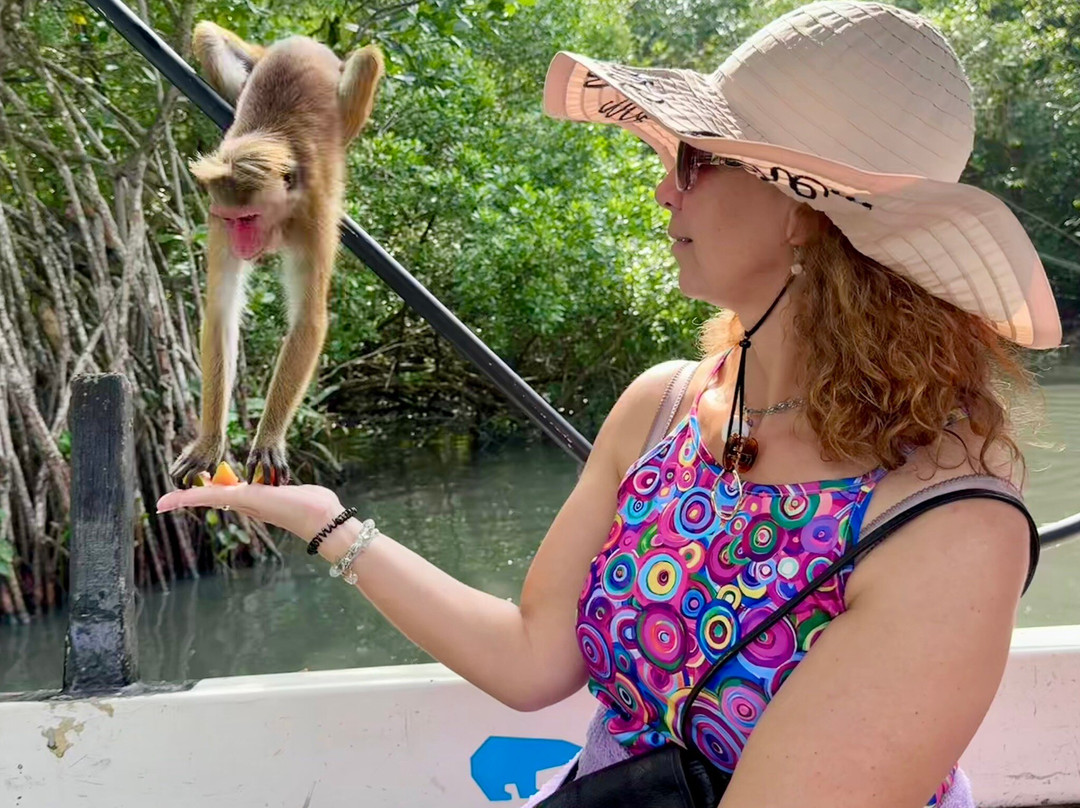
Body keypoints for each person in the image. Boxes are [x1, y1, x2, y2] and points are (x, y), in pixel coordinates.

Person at [156, 2, 1062, 806]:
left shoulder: (948, 525)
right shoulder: (663, 407)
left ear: (804, 211)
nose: (664, 185)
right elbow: (532, 657)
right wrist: (328, 525)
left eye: (697, 160)